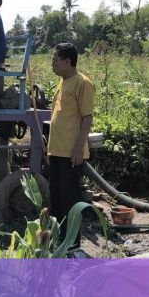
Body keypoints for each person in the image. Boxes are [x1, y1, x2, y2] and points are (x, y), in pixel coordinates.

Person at [46, 43, 95, 251]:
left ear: (67, 61)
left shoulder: (82, 83)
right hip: (56, 151)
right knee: (56, 199)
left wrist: (78, 148)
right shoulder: (62, 82)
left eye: (55, 59)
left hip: (70, 153)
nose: (52, 62)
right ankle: (59, 240)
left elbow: (87, 118)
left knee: (70, 199)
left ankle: (72, 244)